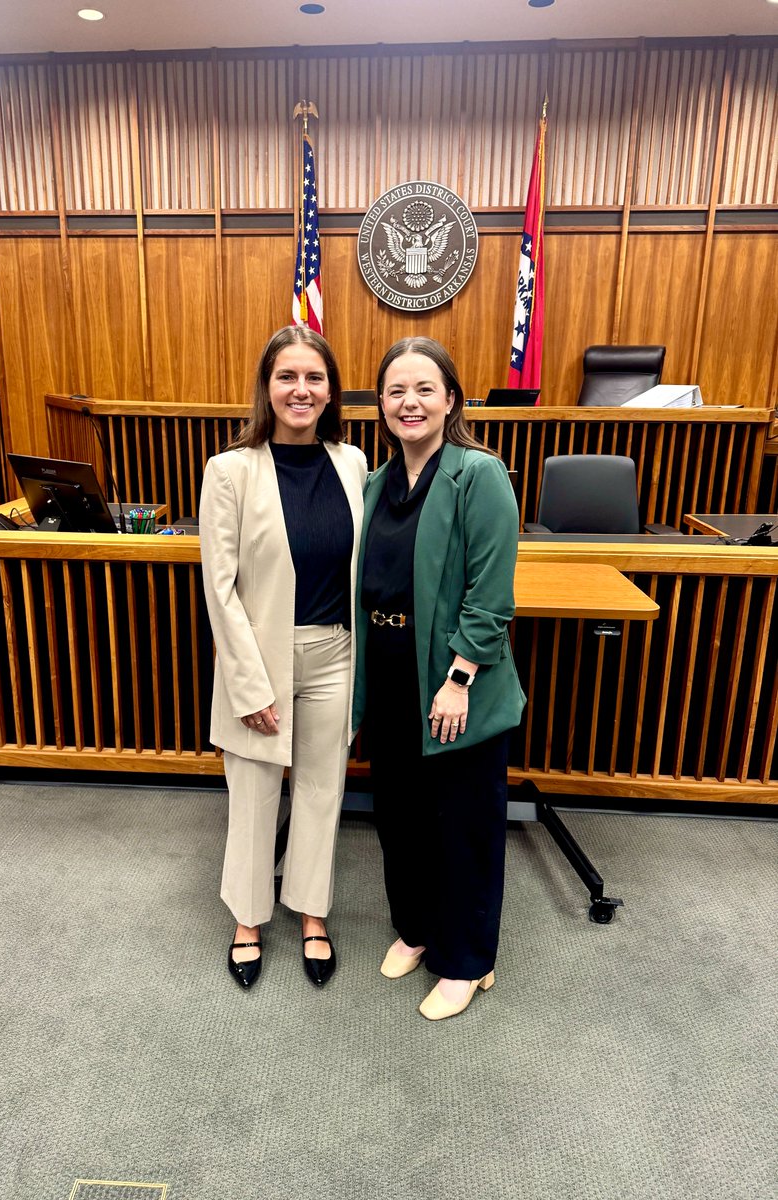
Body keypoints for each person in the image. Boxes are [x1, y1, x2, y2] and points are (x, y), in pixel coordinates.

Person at [352, 336, 525, 1021]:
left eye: (424, 388)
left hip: (456, 682)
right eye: (396, 391)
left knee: (463, 825)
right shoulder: (375, 483)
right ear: (382, 406)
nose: (409, 402)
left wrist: (459, 677)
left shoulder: (478, 474)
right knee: (401, 820)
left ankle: (466, 959)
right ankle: (420, 931)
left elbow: (491, 593)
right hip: (391, 675)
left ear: (450, 399)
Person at [199, 326, 367, 990]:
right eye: (287, 377)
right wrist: (249, 685)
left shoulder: (352, 462)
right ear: (267, 388)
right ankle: (247, 917)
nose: (302, 389)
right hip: (260, 660)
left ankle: (312, 912)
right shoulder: (231, 469)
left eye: (315, 378)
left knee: (323, 790)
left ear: (331, 391)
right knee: (254, 791)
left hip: (336, 654)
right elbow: (221, 586)